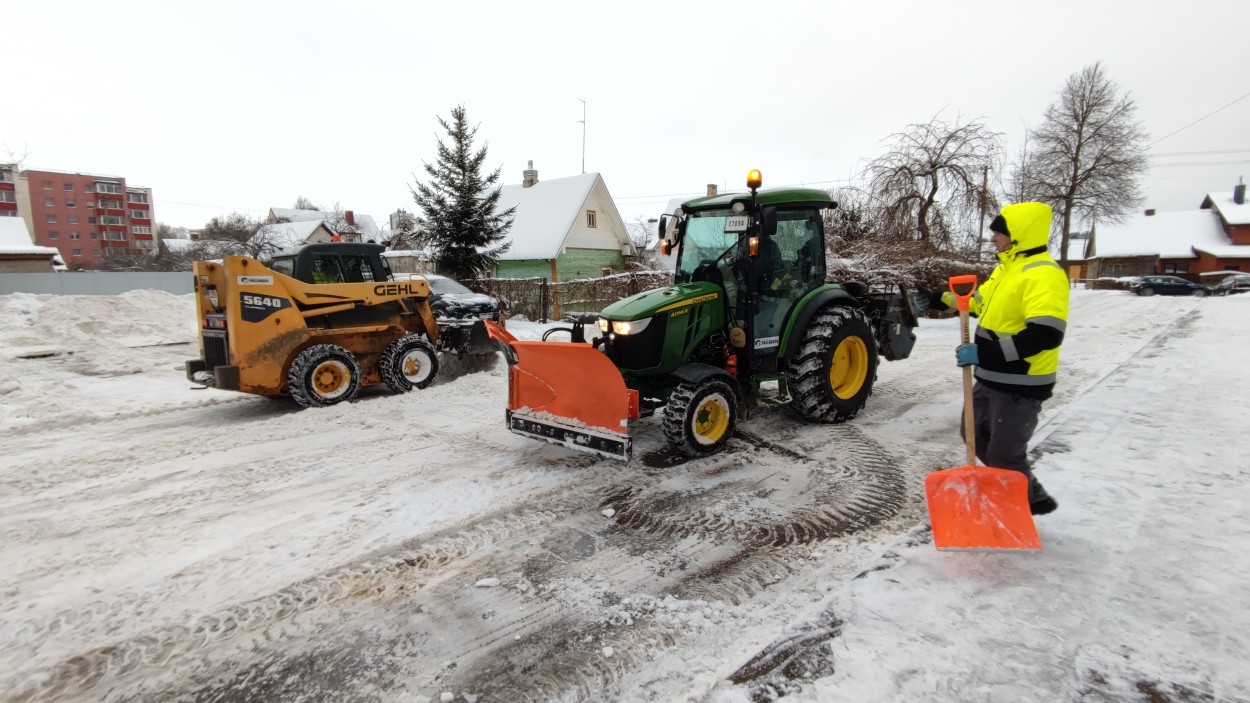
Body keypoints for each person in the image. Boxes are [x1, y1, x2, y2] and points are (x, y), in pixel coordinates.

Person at [934, 202, 1069, 515]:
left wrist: (984, 353)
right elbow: (977, 304)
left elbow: (1046, 334)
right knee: (972, 434)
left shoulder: (1043, 274)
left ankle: (1022, 507)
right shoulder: (1006, 270)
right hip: (989, 376)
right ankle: (1023, 494)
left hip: (1021, 380)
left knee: (1005, 453)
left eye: (999, 233)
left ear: (1018, 234)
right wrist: (938, 299)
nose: (993, 238)